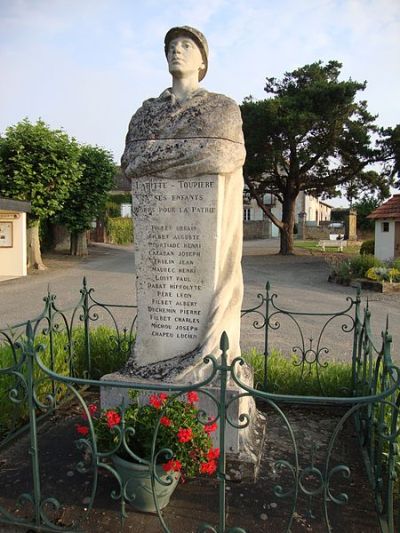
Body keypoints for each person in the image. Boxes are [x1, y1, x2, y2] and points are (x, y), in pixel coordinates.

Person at [121, 26, 246, 372]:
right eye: (172, 46)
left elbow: (224, 155)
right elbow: (131, 162)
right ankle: (155, 362)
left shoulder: (221, 109)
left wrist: (156, 156)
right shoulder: (145, 115)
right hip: (155, 215)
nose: (177, 50)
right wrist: (191, 152)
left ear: (202, 59)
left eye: (187, 45)